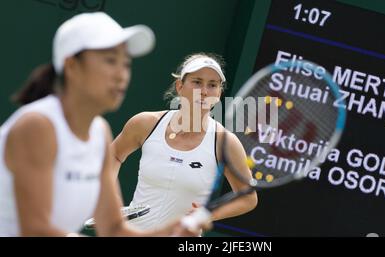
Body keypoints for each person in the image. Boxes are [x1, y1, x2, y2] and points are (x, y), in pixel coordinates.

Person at [0, 12, 206, 237]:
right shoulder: (37, 126)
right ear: (71, 65)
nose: (122, 75)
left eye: (126, 64)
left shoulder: (99, 132)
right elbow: (35, 231)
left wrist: (168, 233)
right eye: (110, 60)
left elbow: (114, 229)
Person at [111, 53, 258, 232]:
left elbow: (248, 197)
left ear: (219, 93)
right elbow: (113, 156)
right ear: (180, 86)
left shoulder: (225, 142)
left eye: (212, 85)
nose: (204, 91)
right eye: (197, 82)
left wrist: (209, 214)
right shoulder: (144, 123)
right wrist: (109, 199)